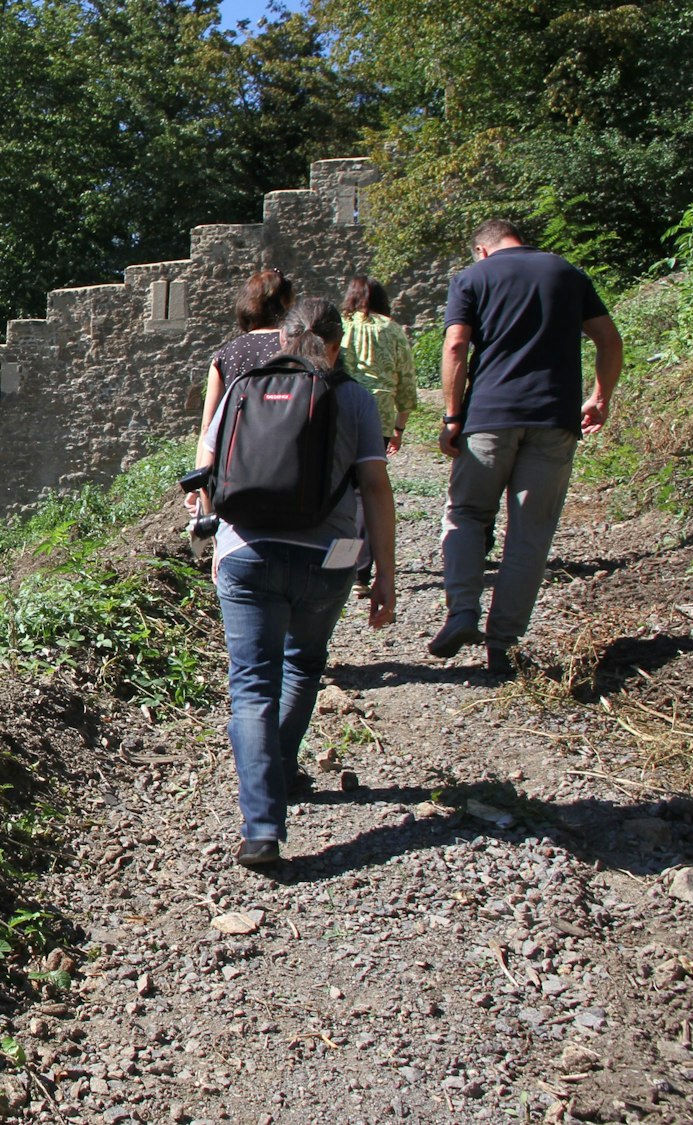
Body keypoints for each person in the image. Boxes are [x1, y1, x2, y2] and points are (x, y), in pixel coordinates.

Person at [197, 298, 398, 868]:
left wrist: (214, 539)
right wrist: (384, 572)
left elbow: (206, 470)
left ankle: (261, 826)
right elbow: (375, 488)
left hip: (246, 554)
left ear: (282, 340)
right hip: (327, 559)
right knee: (304, 664)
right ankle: (282, 769)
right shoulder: (354, 397)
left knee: (251, 686)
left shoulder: (243, 387)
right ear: (336, 345)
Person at [430, 220, 624, 672]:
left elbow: (456, 346)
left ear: (482, 250)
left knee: (467, 514)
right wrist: (600, 398)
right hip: (555, 419)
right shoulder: (566, 273)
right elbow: (609, 339)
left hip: (489, 418)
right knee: (530, 534)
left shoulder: (472, 278)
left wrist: (452, 416)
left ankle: (462, 611)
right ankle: (503, 644)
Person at [194, 268, 296, 466]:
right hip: (288, 461)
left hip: (238, 466)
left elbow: (208, 426)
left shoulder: (225, 355)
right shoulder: (298, 347)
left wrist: (198, 477)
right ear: (285, 303)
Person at [340, 276, 416, 455]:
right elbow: (406, 380)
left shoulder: (340, 325)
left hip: (343, 409)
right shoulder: (393, 329)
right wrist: (399, 427)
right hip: (381, 414)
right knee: (372, 467)